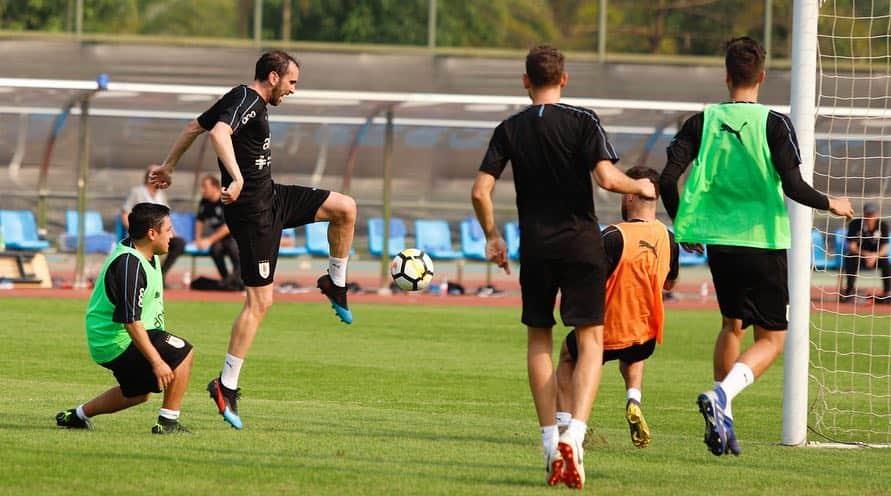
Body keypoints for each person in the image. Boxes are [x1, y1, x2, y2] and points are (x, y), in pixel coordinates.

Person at [471, 45, 656, 489]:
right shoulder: (583, 120)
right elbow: (609, 180)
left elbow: (480, 191)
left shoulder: (509, 128)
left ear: (525, 81)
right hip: (580, 246)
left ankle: (550, 442)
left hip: (535, 247)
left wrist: (493, 237)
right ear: (565, 79)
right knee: (591, 341)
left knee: (539, 338)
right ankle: (576, 433)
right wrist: (643, 185)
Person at [659, 37, 853, 457]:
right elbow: (794, 186)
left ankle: (723, 419)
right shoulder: (774, 123)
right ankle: (723, 397)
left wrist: (683, 222)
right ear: (762, 77)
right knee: (774, 339)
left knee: (732, 326)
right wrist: (830, 202)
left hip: (719, 244)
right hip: (762, 241)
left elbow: (664, 179)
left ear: (727, 76)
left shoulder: (701, 121)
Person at [151, 50, 358, 430]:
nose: (294, 90)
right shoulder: (247, 99)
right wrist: (236, 176)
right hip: (253, 213)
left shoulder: (241, 98)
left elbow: (193, 127)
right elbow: (216, 133)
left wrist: (169, 165)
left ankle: (334, 281)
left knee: (345, 208)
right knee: (261, 301)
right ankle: (225, 385)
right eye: (292, 82)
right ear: (274, 77)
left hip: (272, 196)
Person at [555, 166, 679, 450]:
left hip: (607, 331)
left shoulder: (613, 236)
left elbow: (588, 278)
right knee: (633, 356)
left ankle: (566, 427)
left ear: (631, 197)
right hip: (646, 334)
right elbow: (670, 283)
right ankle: (633, 399)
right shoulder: (669, 238)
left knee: (567, 356)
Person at [56, 203, 194, 434]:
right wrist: (157, 362)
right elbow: (130, 320)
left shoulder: (145, 253)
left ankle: (77, 415)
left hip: (119, 337)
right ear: (152, 234)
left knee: (137, 394)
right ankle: (168, 422)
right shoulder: (129, 264)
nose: (172, 235)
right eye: (168, 229)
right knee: (183, 351)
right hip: (116, 339)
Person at [121, 164, 186, 285]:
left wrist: (171, 233)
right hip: (143, 237)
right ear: (150, 177)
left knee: (179, 243)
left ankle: (161, 274)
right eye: (160, 175)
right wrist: (135, 232)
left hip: (159, 235)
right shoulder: (137, 192)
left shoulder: (161, 195)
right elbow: (125, 214)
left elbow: (166, 219)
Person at [194, 174, 241, 283]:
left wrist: (209, 240)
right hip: (219, 238)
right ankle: (226, 280)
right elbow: (199, 220)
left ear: (215, 187)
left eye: (205, 186)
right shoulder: (204, 201)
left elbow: (228, 226)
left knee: (233, 248)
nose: (202, 190)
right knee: (215, 249)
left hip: (234, 235)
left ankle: (239, 279)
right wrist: (198, 238)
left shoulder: (225, 199)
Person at [841, 202, 890, 303]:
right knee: (850, 258)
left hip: (876, 258)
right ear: (864, 214)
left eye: (872, 215)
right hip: (859, 256)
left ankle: (887, 293)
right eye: (868, 215)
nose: (870, 218)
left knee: (887, 263)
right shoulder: (855, 224)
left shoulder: (883, 225)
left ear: (877, 215)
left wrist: (875, 256)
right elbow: (852, 246)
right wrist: (866, 255)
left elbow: (885, 248)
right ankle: (850, 291)